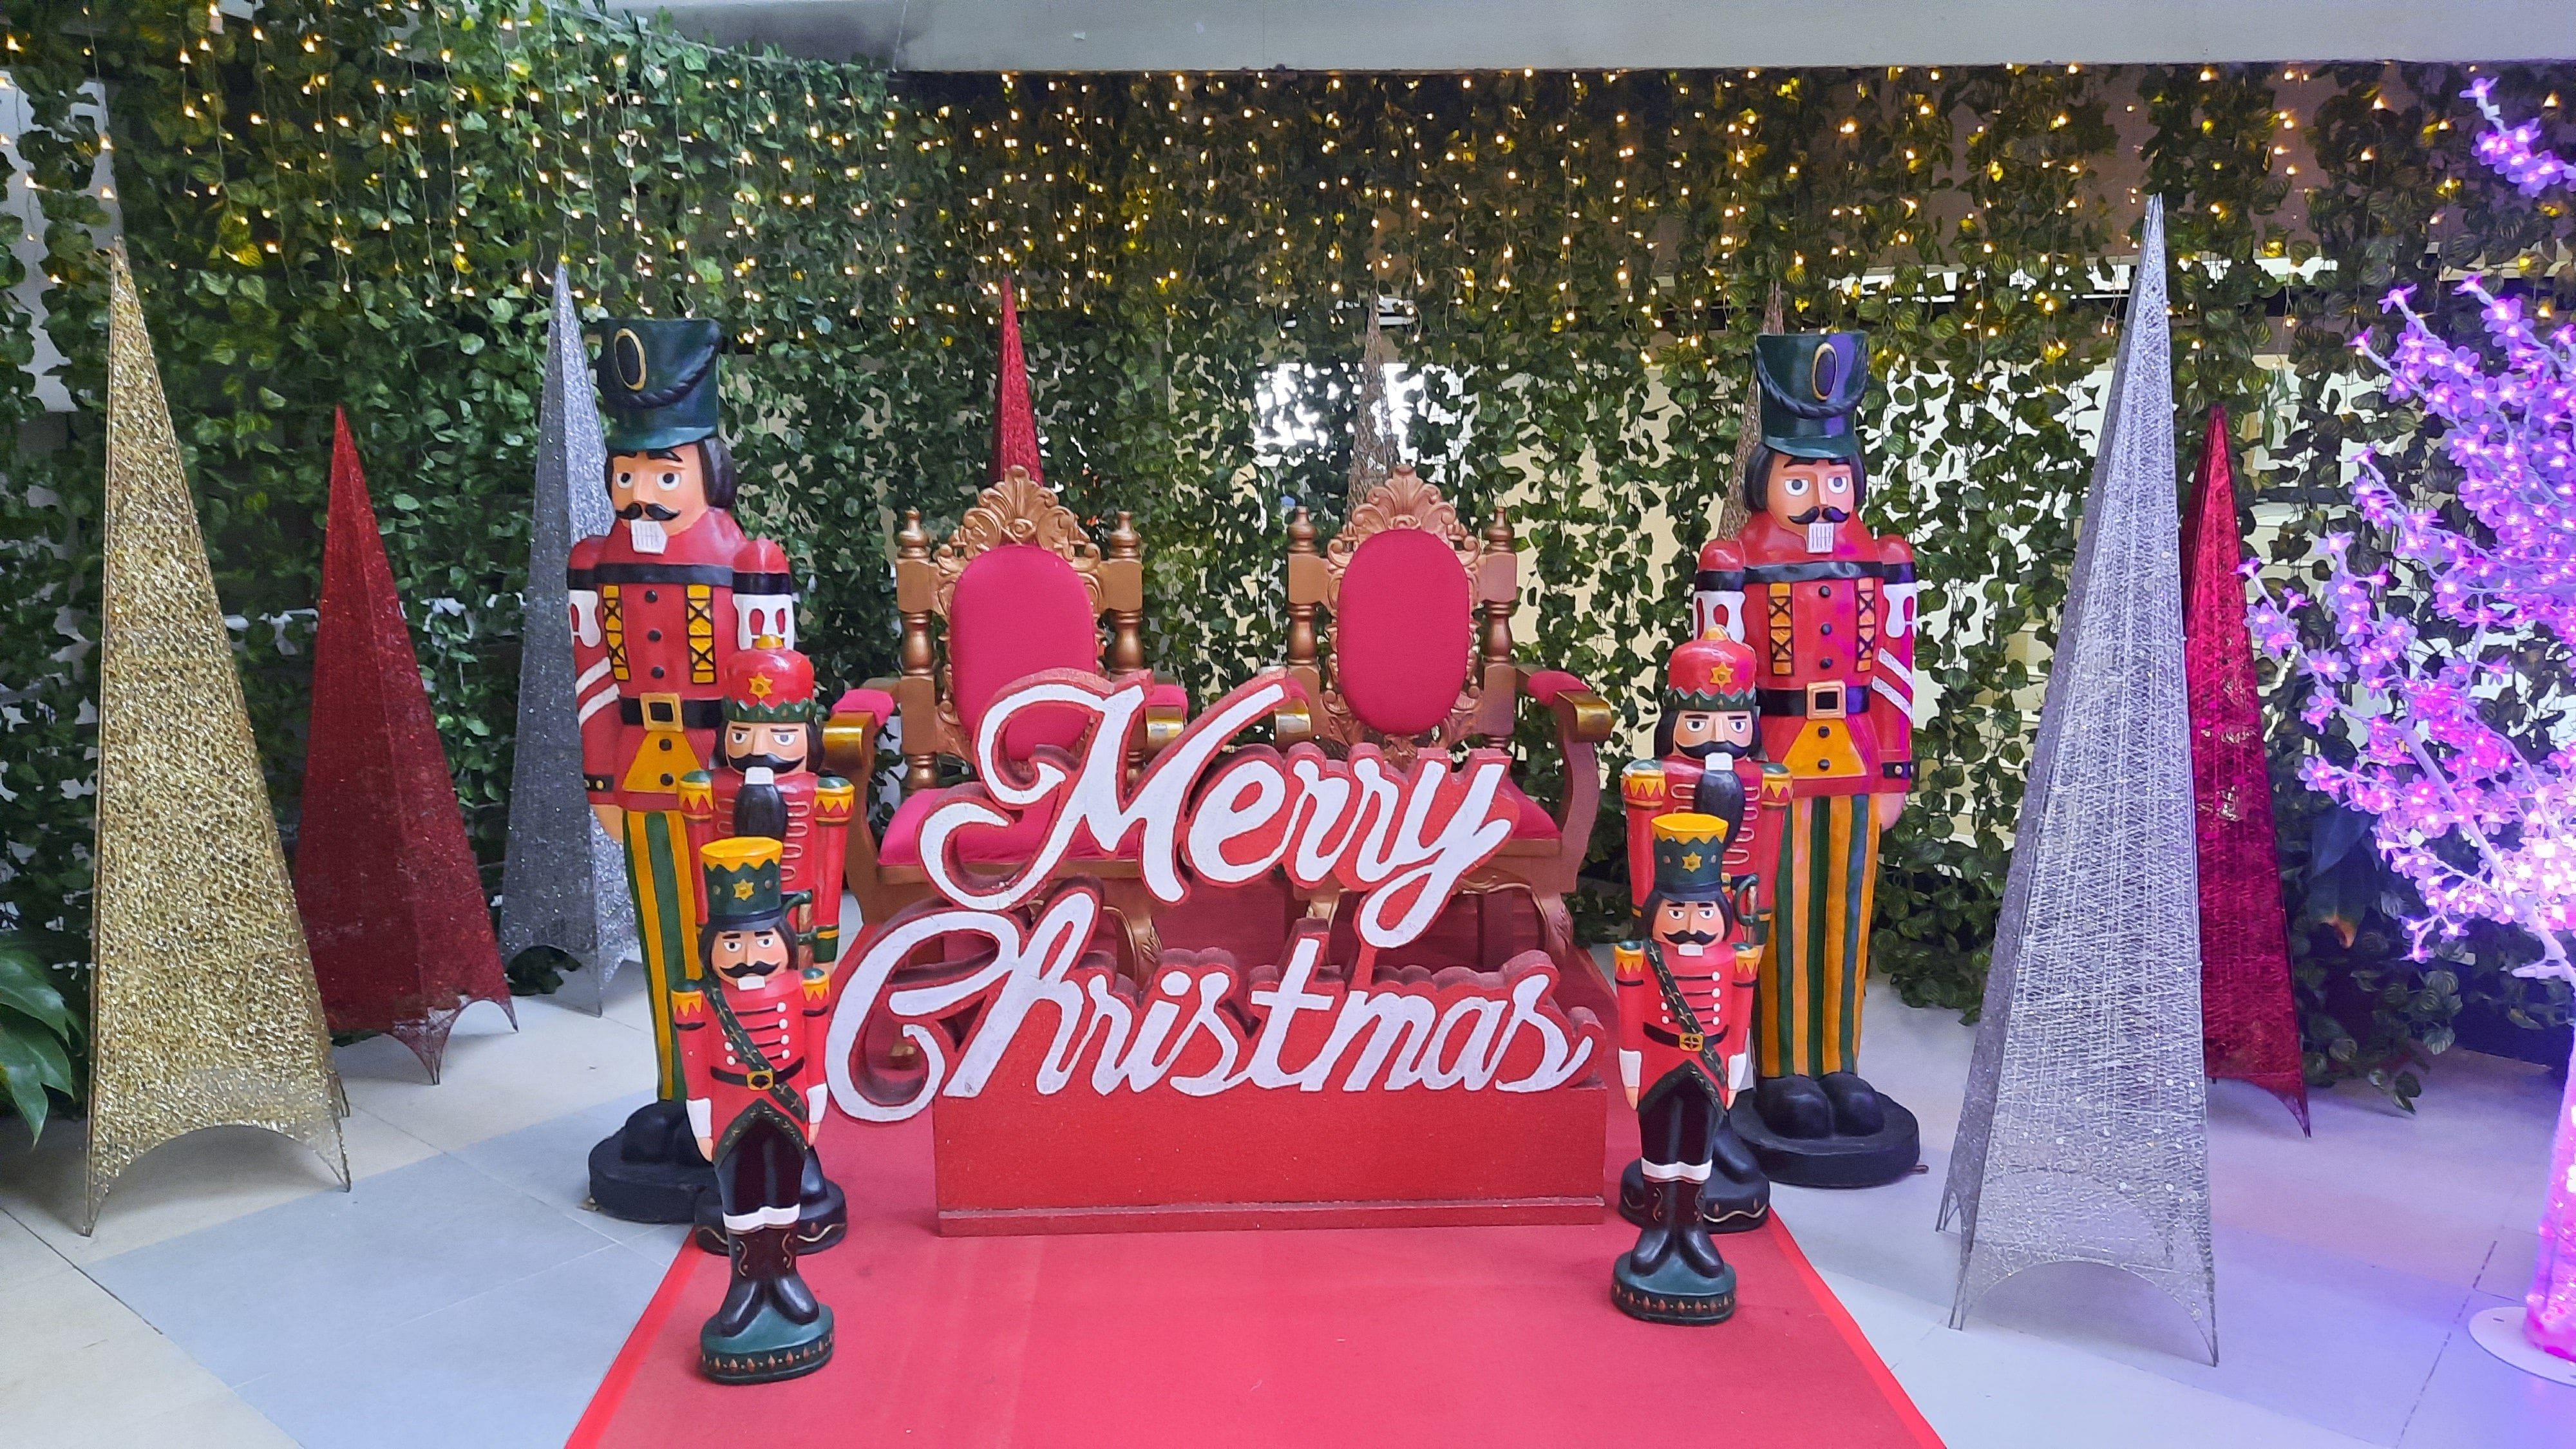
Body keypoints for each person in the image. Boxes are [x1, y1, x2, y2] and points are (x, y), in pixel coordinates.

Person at [570, 316, 800, 1221]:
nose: (644, 494)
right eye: (629, 474)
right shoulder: (594, 565)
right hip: (640, 774)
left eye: (666, 474)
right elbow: (594, 678)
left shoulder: (750, 563)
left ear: (707, 468)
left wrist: (761, 781)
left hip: (725, 779)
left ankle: (739, 1089)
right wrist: (600, 779)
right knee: (665, 939)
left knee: (734, 934)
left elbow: (771, 684)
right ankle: (680, 1089)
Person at [1692, 330, 1924, 1188]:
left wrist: (1895, 768)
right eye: (1799, 479)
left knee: (1847, 912)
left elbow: (1895, 671)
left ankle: (1840, 1065)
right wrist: (1730, 772)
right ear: (1765, 480)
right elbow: (1720, 677)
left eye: (1833, 478)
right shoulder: (1735, 564)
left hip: (1856, 756)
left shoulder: (1883, 559)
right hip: (1779, 759)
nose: (1821, 496)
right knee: (1783, 912)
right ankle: (1785, 1071)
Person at [677, 836, 835, 1383]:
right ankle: (746, 1284)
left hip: (787, 1104)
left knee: (785, 1190)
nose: (749, 954)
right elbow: (694, 1064)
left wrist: (816, 1103)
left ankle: (784, 1275)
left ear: (784, 940)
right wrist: (701, 1118)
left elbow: (816, 1049)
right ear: (712, 946)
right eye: (734, 942)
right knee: (740, 1195)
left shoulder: (804, 987)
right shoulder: (699, 998)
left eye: (763, 939)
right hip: (731, 1109)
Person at [1610, 811, 1763, 1325]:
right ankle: (1657, 1229)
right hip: (1659, 1062)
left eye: (1702, 911)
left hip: (1709, 1066)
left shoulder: (1735, 959)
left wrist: (1736, 1065)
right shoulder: (1641, 958)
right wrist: (1631, 1065)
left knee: (1698, 1149)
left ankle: (1691, 1228)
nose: (1690, 924)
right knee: (1658, 1148)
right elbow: (1631, 1015)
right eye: (1676, 912)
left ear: (1722, 913)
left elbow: (1740, 1013)